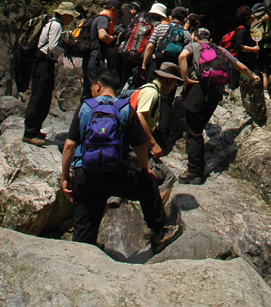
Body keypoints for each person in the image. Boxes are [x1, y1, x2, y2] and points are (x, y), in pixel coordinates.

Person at [61, 68, 181, 253]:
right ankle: (159, 233)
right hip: (115, 174)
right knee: (148, 184)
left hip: (84, 174)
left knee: (84, 218)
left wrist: (65, 177)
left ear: (98, 85)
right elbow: (140, 146)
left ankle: (84, 248)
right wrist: (143, 169)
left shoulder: (85, 107)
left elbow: (69, 146)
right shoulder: (124, 108)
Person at [178, 28, 261, 184]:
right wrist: (252, 76)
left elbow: (182, 57)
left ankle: (194, 172)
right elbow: (240, 66)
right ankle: (198, 165)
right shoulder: (221, 50)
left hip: (198, 90)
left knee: (193, 130)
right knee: (198, 128)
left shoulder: (193, 46)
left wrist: (185, 79)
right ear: (210, 39)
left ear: (196, 38)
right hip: (216, 93)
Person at [22, 2, 80, 146]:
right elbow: (53, 47)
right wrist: (64, 51)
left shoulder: (52, 24)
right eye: (70, 16)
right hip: (43, 62)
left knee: (44, 94)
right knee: (39, 94)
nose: (71, 20)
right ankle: (29, 132)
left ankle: (35, 129)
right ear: (64, 15)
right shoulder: (56, 26)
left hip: (43, 62)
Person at [141, 6, 191, 147]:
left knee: (149, 92)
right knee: (167, 102)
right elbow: (185, 57)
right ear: (184, 20)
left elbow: (150, 46)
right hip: (173, 70)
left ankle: (142, 129)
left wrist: (145, 64)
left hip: (156, 64)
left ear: (170, 17)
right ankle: (162, 136)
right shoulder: (187, 35)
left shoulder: (161, 28)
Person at [132, 61, 182, 202]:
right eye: (174, 84)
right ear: (168, 80)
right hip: (135, 147)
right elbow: (139, 116)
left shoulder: (150, 90)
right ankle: (155, 214)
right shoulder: (152, 92)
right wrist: (153, 143)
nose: (173, 88)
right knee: (168, 177)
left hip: (134, 145)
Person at [82, 0, 120, 100]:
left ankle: (81, 113)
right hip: (95, 58)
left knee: (87, 89)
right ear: (112, 10)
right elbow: (102, 36)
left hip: (88, 57)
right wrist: (114, 38)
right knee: (96, 90)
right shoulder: (104, 19)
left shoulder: (96, 17)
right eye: (117, 12)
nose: (117, 15)